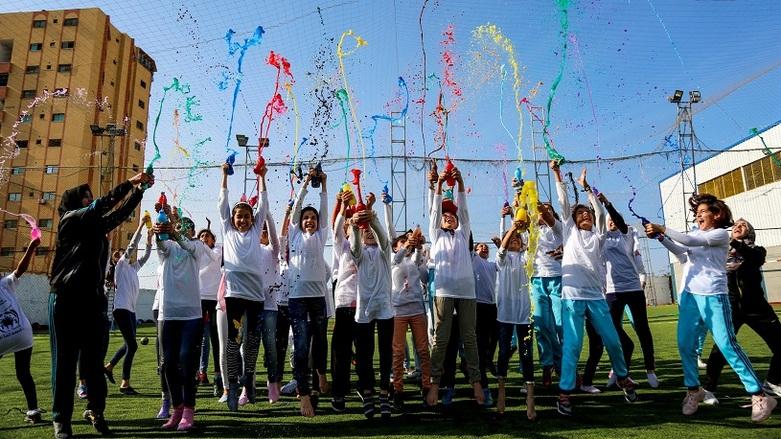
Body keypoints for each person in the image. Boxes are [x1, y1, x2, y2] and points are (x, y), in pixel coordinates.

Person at [646, 202, 777, 422]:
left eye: (702, 212)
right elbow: (682, 249)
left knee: (727, 344)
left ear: (717, 215)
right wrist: (661, 238)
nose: (698, 217)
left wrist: (662, 228)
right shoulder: (697, 233)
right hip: (689, 296)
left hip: (714, 296)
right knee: (685, 344)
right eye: (696, 214)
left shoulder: (719, 235)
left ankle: (759, 394)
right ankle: (693, 389)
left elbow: (690, 241)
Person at [49, 173, 152, 439]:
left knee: (94, 363)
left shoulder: (96, 228)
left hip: (93, 301)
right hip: (67, 298)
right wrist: (131, 181)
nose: (90, 203)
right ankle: (61, 419)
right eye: (85, 200)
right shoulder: (68, 220)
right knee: (65, 362)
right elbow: (103, 206)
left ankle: (96, 410)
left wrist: (139, 192)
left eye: (90, 199)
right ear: (74, 205)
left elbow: (117, 216)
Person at [550, 162, 637, 416]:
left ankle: (623, 377)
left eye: (587, 214)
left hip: (596, 297)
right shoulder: (569, 232)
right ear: (574, 220)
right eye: (581, 215)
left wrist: (588, 190)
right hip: (572, 298)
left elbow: (599, 213)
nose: (585, 216)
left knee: (613, 341)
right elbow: (564, 203)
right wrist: (557, 174)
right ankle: (565, 392)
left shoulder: (599, 235)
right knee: (573, 346)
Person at [426, 164, 484, 407]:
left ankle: (477, 384)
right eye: (444, 216)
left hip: (467, 292)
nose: (448, 217)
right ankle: (434, 385)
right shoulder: (436, 235)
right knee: (441, 339)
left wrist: (459, 183)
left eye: (452, 215)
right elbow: (433, 212)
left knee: (469, 338)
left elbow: (464, 207)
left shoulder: (463, 233)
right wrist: (438, 185)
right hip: (443, 292)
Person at [704, 218, 781, 402]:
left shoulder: (756, 251)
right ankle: (708, 389)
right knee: (721, 348)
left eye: (742, 225)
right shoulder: (721, 253)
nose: (737, 227)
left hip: (757, 308)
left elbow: (753, 257)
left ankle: (772, 383)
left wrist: (734, 242)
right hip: (730, 307)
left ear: (750, 232)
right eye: (735, 225)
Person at [218, 162, 269, 410]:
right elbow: (222, 205)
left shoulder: (256, 228)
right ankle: (232, 385)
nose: (242, 219)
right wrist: (224, 178)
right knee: (233, 341)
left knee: (252, 342)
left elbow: (264, 206)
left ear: (252, 219)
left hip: (256, 298)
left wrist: (262, 177)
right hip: (235, 296)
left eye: (247, 216)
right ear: (232, 218)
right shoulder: (227, 229)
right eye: (239, 216)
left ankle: (249, 381)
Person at [155, 216, 213, 431]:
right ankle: (177, 408)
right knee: (168, 365)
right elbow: (161, 244)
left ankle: (189, 410)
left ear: (192, 231)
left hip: (191, 315)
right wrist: (158, 231)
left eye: (187, 228)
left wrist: (174, 231)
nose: (183, 230)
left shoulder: (196, 246)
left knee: (187, 362)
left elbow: (188, 244)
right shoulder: (168, 246)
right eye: (179, 227)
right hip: (167, 314)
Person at [598, 193, 658, 388]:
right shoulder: (601, 237)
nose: (612, 223)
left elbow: (619, 221)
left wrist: (607, 203)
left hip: (633, 288)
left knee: (642, 328)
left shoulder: (627, 232)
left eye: (614, 220)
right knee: (613, 332)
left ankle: (650, 369)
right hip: (612, 291)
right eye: (609, 221)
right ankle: (618, 369)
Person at [288, 166, 330, 417]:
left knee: (320, 343)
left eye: (313, 218)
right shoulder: (295, 235)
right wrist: (305, 184)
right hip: (297, 300)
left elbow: (324, 210)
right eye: (306, 218)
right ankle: (304, 395)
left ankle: (321, 377)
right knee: (302, 347)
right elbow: (296, 208)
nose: (310, 221)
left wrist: (324, 185)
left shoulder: (321, 235)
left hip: (317, 299)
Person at [384, 194, 431, 411]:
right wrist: (405, 246)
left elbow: (423, 276)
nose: (407, 244)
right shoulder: (393, 259)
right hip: (398, 311)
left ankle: (426, 387)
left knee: (423, 349)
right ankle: (398, 389)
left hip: (417, 309)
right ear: (396, 246)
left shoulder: (414, 259)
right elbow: (395, 258)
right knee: (397, 352)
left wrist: (419, 247)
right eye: (403, 241)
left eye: (408, 241)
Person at [350, 201, 394, 419]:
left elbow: (384, 238)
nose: (369, 233)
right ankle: (368, 393)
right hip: (364, 312)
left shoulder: (385, 253)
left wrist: (372, 218)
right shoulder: (360, 255)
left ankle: (384, 393)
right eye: (365, 231)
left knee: (386, 353)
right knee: (365, 355)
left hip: (385, 309)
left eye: (371, 232)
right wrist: (356, 226)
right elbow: (355, 247)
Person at [494, 218, 536, 419]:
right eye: (512, 239)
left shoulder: (526, 258)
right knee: (503, 352)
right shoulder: (501, 259)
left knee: (526, 355)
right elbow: (502, 249)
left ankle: (530, 398)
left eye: (518, 239)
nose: (515, 241)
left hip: (524, 315)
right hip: (505, 315)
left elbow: (532, 243)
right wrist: (513, 227)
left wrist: (525, 228)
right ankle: (501, 391)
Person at [104, 221, 153, 395]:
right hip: (121, 310)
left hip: (131, 312)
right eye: (118, 254)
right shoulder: (121, 266)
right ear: (115, 260)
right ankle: (125, 384)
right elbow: (132, 245)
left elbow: (146, 256)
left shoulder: (133, 268)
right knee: (132, 346)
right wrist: (141, 226)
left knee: (128, 345)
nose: (121, 255)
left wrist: (149, 239)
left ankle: (109, 367)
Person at [0, 238, 42, 424]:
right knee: (24, 373)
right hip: (23, 333)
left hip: (2, 337)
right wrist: (32, 246)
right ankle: (34, 411)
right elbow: (21, 269)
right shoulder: (4, 283)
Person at [331, 190, 359, 412]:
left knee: (363, 352)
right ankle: (339, 392)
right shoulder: (342, 247)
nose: (353, 225)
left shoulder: (371, 246)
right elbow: (337, 230)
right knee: (341, 353)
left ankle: (364, 387)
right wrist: (341, 207)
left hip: (365, 307)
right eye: (349, 225)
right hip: (344, 304)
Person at [532, 202, 564, 386]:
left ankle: (562, 366)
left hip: (557, 279)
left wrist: (541, 209)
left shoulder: (558, 229)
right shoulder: (531, 231)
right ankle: (548, 364)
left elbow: (549, 218)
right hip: (536, 280)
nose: (543, 213)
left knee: (560, 325)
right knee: (542, 325)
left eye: (548, 210)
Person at [196, 227, 223, 397]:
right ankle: (199, 373)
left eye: (207, 236)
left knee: (216, 339)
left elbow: (214, 256)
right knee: (197, 340)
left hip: (214, 300)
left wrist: (200, 243)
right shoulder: (196, 254)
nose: (204, 238)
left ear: (213, 239)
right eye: (201, 236)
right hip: (197, 300)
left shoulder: (217, 250)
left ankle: (218, 378)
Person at [472, 237, 498, 406]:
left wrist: (499, 243)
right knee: (480, 343)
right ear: (474, 251)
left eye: (486, 247)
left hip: (492, 305)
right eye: (480, 247)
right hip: (477, 305)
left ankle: (488, 357)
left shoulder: (492, 265)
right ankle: (480, 375)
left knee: (495, 335)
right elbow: (468, 235)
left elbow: (502, 255)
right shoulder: (473, 261)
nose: (483, 248)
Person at [259, 212, 281, 403]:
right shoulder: (248, 249)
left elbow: (275, 236)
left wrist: (267, 216)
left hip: (269, 306)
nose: (262, 234)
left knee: (270, 347)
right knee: (245, 348)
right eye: (260, 231)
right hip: (250, 303)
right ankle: (246, 386)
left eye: (265, 231)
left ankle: (272, 383)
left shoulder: (272, 251)